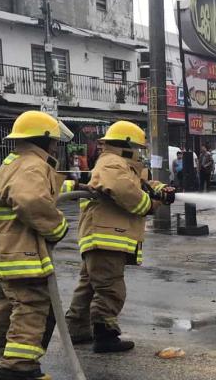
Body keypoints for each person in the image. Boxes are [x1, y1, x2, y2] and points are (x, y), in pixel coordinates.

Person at [65, 121, 174, 353]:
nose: (139, 151)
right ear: (127, 145)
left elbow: (142, 184)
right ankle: (105, 335)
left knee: (89, 286)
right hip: (106, 239)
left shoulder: (122, 165)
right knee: (110, 288)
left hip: (101, 238)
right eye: (137, 147)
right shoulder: (112, 163)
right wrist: (151, 203)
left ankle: (76, 330)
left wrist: (162, 189)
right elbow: (129, 194)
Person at [0, 110, 72, 380]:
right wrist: (57, 227)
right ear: (44, 140)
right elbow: (31, 200)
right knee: (32, 308)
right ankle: (20, 369)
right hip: (22, 252)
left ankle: (1, 365)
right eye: (55, 142)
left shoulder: (14, 162)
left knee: (7, 311)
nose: (56, 146)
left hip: (4, 252)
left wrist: (74, 185)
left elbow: (37, 190)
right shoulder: (33, 165)